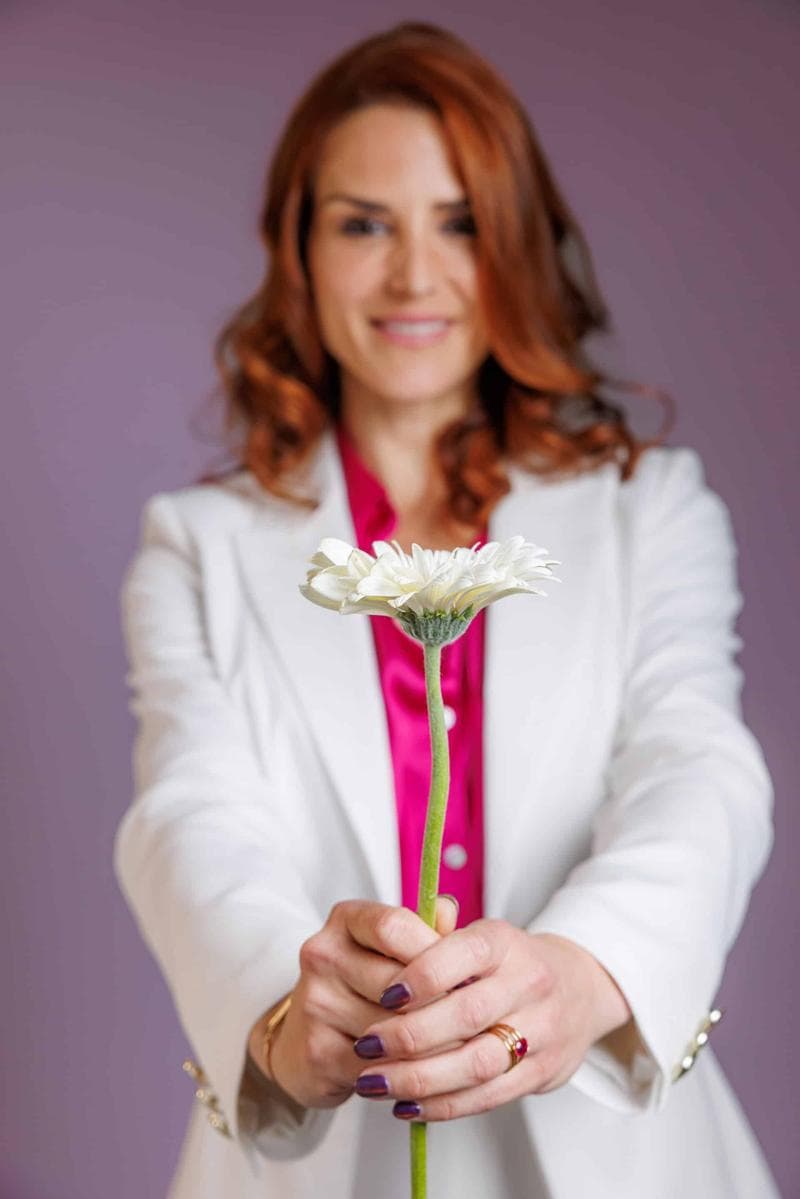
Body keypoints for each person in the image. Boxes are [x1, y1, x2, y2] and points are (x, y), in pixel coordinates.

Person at [113, 20, 780, 1199]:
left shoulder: (647, 507)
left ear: (513, 243)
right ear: (298, 248)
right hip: (327, 1153)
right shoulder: (197, 543)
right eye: (363, 223)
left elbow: (695, 760)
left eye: (459, 222)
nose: (413, 277)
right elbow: (190, 812)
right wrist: (284, 1010)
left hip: (622, 1151)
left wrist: (585, 968)